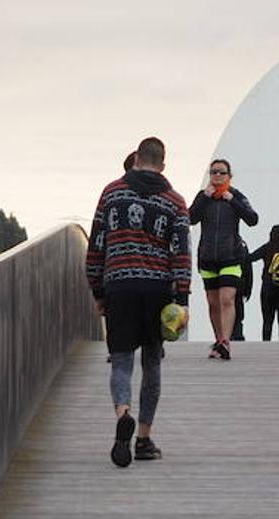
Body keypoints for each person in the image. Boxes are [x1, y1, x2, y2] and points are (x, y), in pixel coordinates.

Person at [85, 136, 191, 467]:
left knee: (120, 362)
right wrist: (182, 297)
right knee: (152, 363)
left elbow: (96, 245)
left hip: (119, 285)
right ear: (162, 164)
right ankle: (143, 438)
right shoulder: (175, 201)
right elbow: (181, 252)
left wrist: (98, 291)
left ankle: (123, 412)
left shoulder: (111, 193)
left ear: (136, 160)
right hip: (156, 289)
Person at [189, 158, 258, 359]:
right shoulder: (204, 196)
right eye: (213, 172)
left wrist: (232, 200)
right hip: (208, 257)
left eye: (221, 172)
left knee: (227, 299)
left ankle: (226, 342)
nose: (217, 176)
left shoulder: (236, 196)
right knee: (213, 303)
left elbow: (253, 219)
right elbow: (190, 218)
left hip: (232, 256)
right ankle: (219, 339)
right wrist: (203, 198)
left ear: (229, 176)